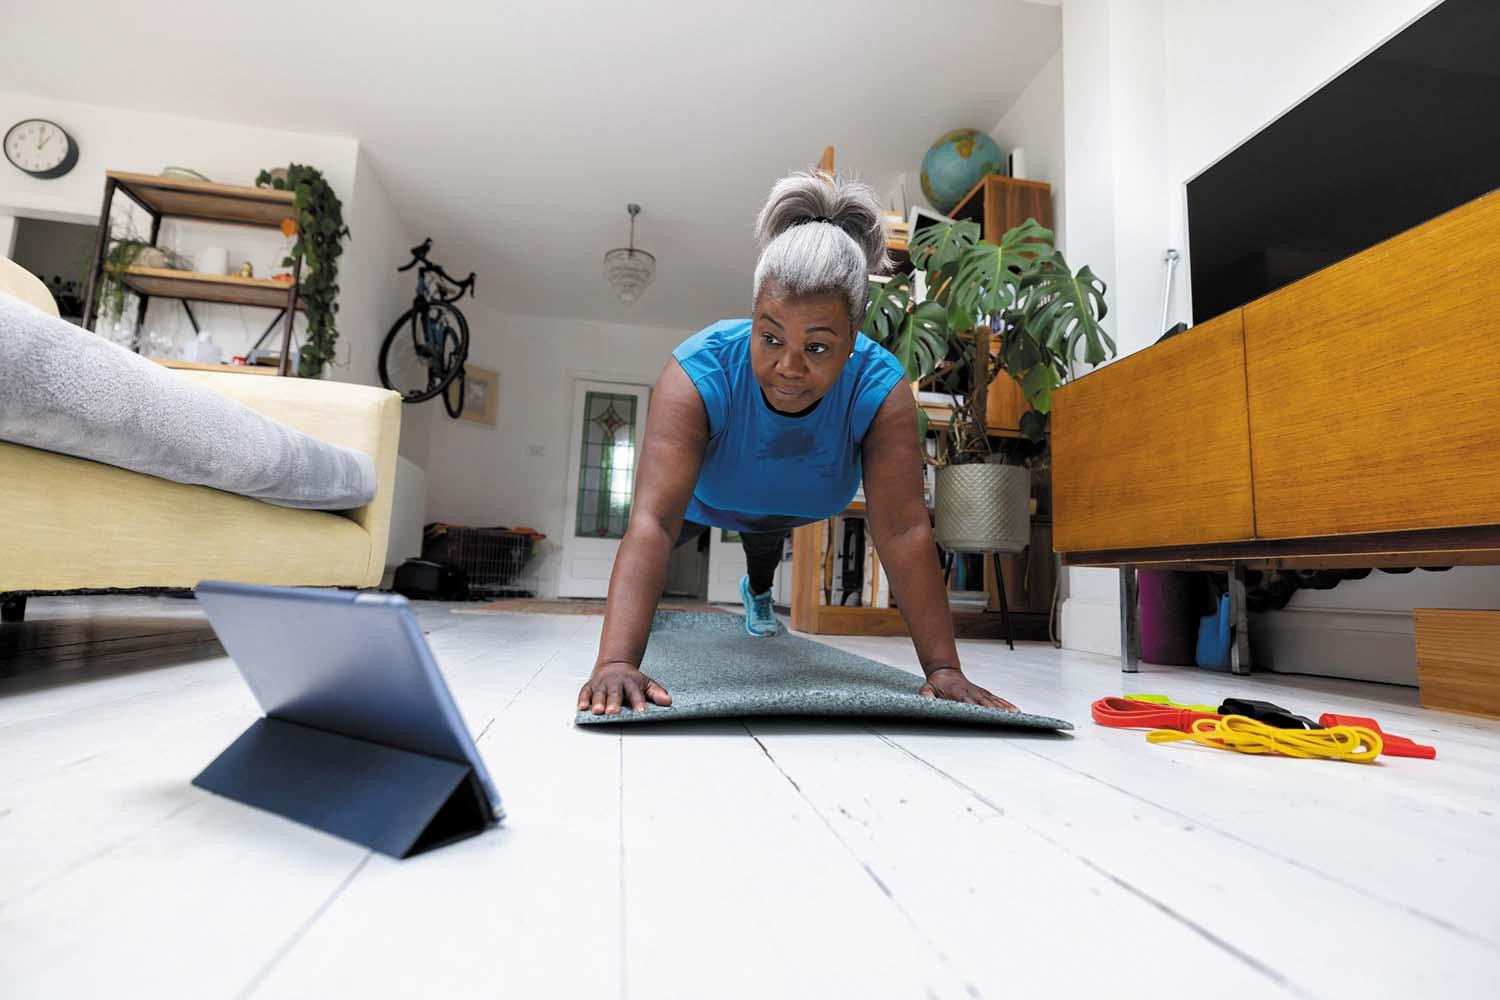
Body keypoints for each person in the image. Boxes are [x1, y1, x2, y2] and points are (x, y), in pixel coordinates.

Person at [577, 171, 1016, 716]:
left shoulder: (880, 391)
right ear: (754, 314)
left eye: (817, 346)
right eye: (770, 338)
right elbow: (652, 522)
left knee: (763, 552)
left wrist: (944, 670)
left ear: (852, 340)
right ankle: (721, 599)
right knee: (672, 533)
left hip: (786, 510)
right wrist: (616, 662)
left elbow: (903, 530)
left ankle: (756, 596)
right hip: (704, 502)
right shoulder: (698, 371)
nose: (788, 367)